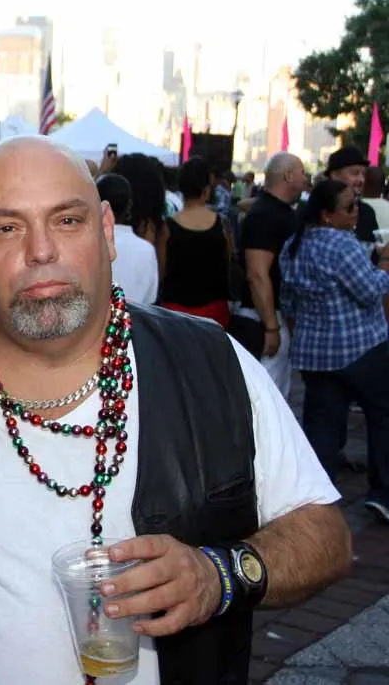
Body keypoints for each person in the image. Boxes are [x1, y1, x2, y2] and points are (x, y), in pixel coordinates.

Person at [0, 137, 350, 685]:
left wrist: (219, 574)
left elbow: (326, 535)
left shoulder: (209, 363)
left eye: (67, 221)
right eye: (7, 228)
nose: (42, 250)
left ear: (106, 231)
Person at [279, 179, 389, 524]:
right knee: (382, 416)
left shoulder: (294, 244)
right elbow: (371, 292)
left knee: (322, 426)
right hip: (359, 347)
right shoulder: (342, 245)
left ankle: (316, 501)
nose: (356, 212)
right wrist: (385, 262)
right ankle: (383, 493)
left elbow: (288, 302)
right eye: (350, 207)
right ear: (327, 214)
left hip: (315, 353)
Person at [233, 152, 308, 389]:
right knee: (264, 393)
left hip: (273, 316)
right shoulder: (265, 215)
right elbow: (257, 273)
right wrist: (271, 325)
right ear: (288, 176)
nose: (305, 179)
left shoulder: (275, 211)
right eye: (302, 173)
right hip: (263, 318)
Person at [159, 157, 232, 328]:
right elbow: (227, 261)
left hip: (174, 312)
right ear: (207, 189)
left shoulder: (167, 228)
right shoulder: (222, 224)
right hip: (214, 312)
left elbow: (161, 271)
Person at [96, 172, 158, 304]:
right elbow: (151, 298)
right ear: (129, 206)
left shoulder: (86, 245)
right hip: (134, 316)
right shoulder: (146, 250)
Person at [326, 145, 378, 255]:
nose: (361, 179)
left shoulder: (367, 211)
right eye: (355, 173)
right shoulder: (314, 210)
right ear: (335, 175)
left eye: (363, 174)